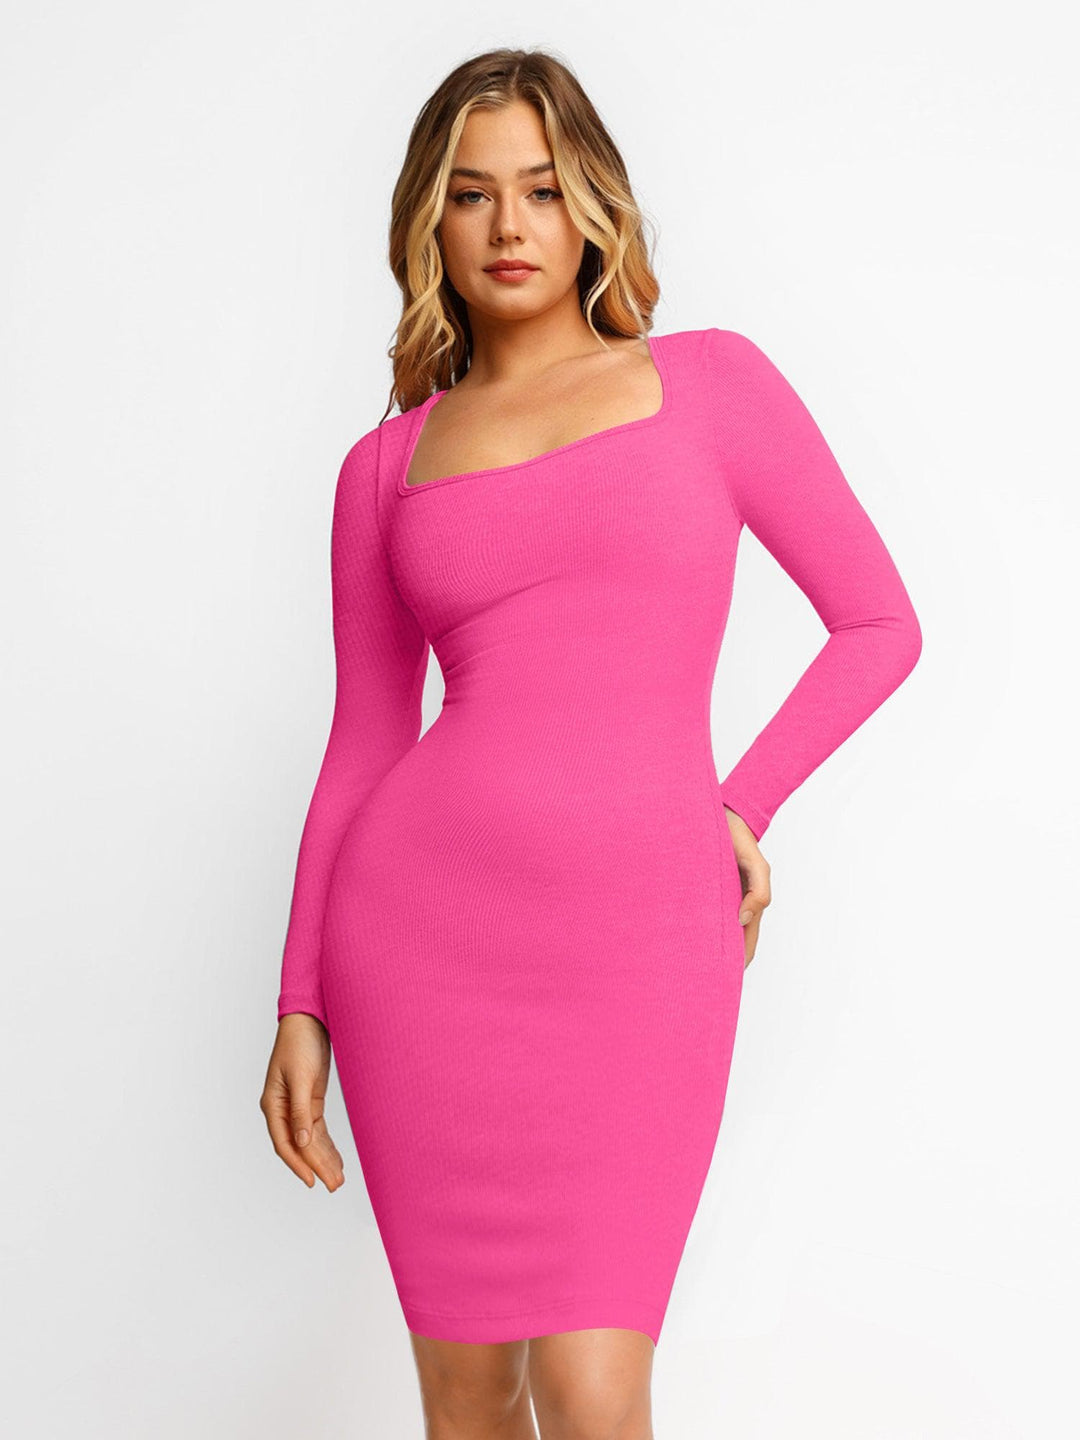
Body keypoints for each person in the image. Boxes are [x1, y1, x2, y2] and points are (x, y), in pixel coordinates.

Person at [259, 46, 922, 1440]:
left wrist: (738, 806)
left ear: (593, 207)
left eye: (544, 189)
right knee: (467, 1404)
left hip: (638, 941)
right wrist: (300, 1001)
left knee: (593, 1390)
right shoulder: (383, 468)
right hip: (419, 945)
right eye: (473, 194)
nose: (510, 226)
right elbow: (363, 742)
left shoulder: (711, 385)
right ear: (429, 221)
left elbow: (877, 625)